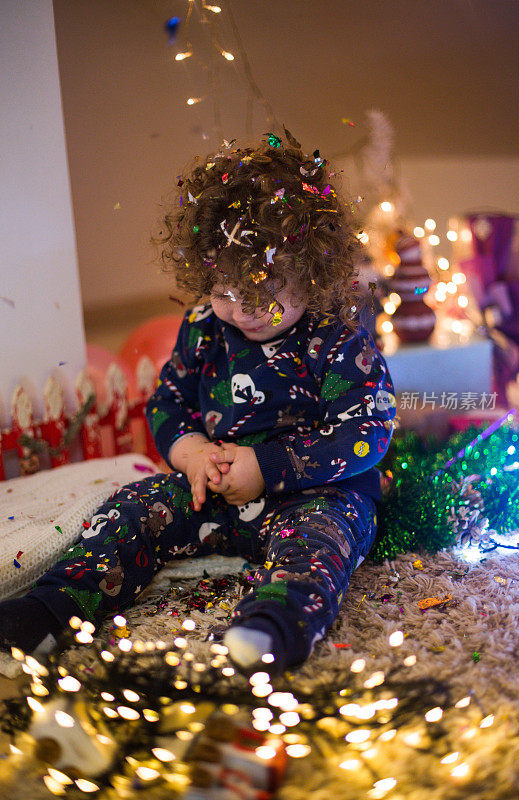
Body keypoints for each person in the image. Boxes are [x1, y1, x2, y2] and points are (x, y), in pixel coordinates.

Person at [0, 131, 396, 675]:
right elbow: (168, 400)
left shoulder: (337, 339)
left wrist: (269, 466)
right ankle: (48, 611)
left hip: (316, 493)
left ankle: (270, 627)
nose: (245, 309)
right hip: (211, 490)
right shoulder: (205, 329)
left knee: (323, 544)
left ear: (309, 270)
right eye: (226, 291)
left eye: (265, 290)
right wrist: (190, 452)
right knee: (132, 508)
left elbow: (366, 430)